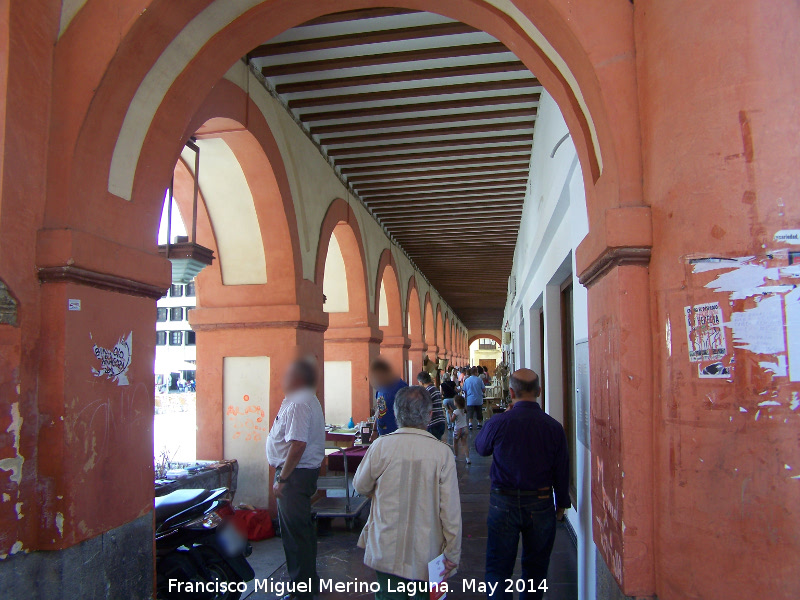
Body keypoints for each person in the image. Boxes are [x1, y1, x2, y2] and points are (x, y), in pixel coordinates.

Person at [354, 386, 462, 600]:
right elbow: (450, 511)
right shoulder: (442, 453)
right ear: (430, 415)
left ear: (396, 414)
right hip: (427, 552)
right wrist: (452, 552)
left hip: (386, 546)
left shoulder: (381, 447)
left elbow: (360, 486)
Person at [474, 369, 570, 600]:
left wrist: (499, 420)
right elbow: (562, 469)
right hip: (541, 502)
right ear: (538, 391)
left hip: (503, 501)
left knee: (498, 569)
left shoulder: (500, 421)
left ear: (512, 391)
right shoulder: (554, 427)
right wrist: (562, 503)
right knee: (536, 571)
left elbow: (481, 448)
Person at [266, 359, 326, 600]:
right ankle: (308, 582)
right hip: (297, 474)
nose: (283, 379)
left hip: (295, 475)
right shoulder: (299, 400)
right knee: (300, 531)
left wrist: (282, 477)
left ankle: (301, 590)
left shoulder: (301, 402)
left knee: (294, 535)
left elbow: (298, 444)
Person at [369, 358, 408, 439]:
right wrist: (374, 430)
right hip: (382, 435)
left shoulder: (401, 387)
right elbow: (378, 410)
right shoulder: (380, 388)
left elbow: (407, 411)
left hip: (397, 436)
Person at [417, 371, 447, 440]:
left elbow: (423, 407)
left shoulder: (427, 391)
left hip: (433, 423)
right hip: (440, 421)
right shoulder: (435, 389)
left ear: (421, 382)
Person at [451, 394, 470, 464]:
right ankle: (467, 458)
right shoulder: (464, 410)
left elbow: (452, 420)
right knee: (464, 443)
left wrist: (450, 413)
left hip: (458, 429)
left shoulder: (455, 412)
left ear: (456, 403)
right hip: (465, 428)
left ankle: (455, 456)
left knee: (455, 442)